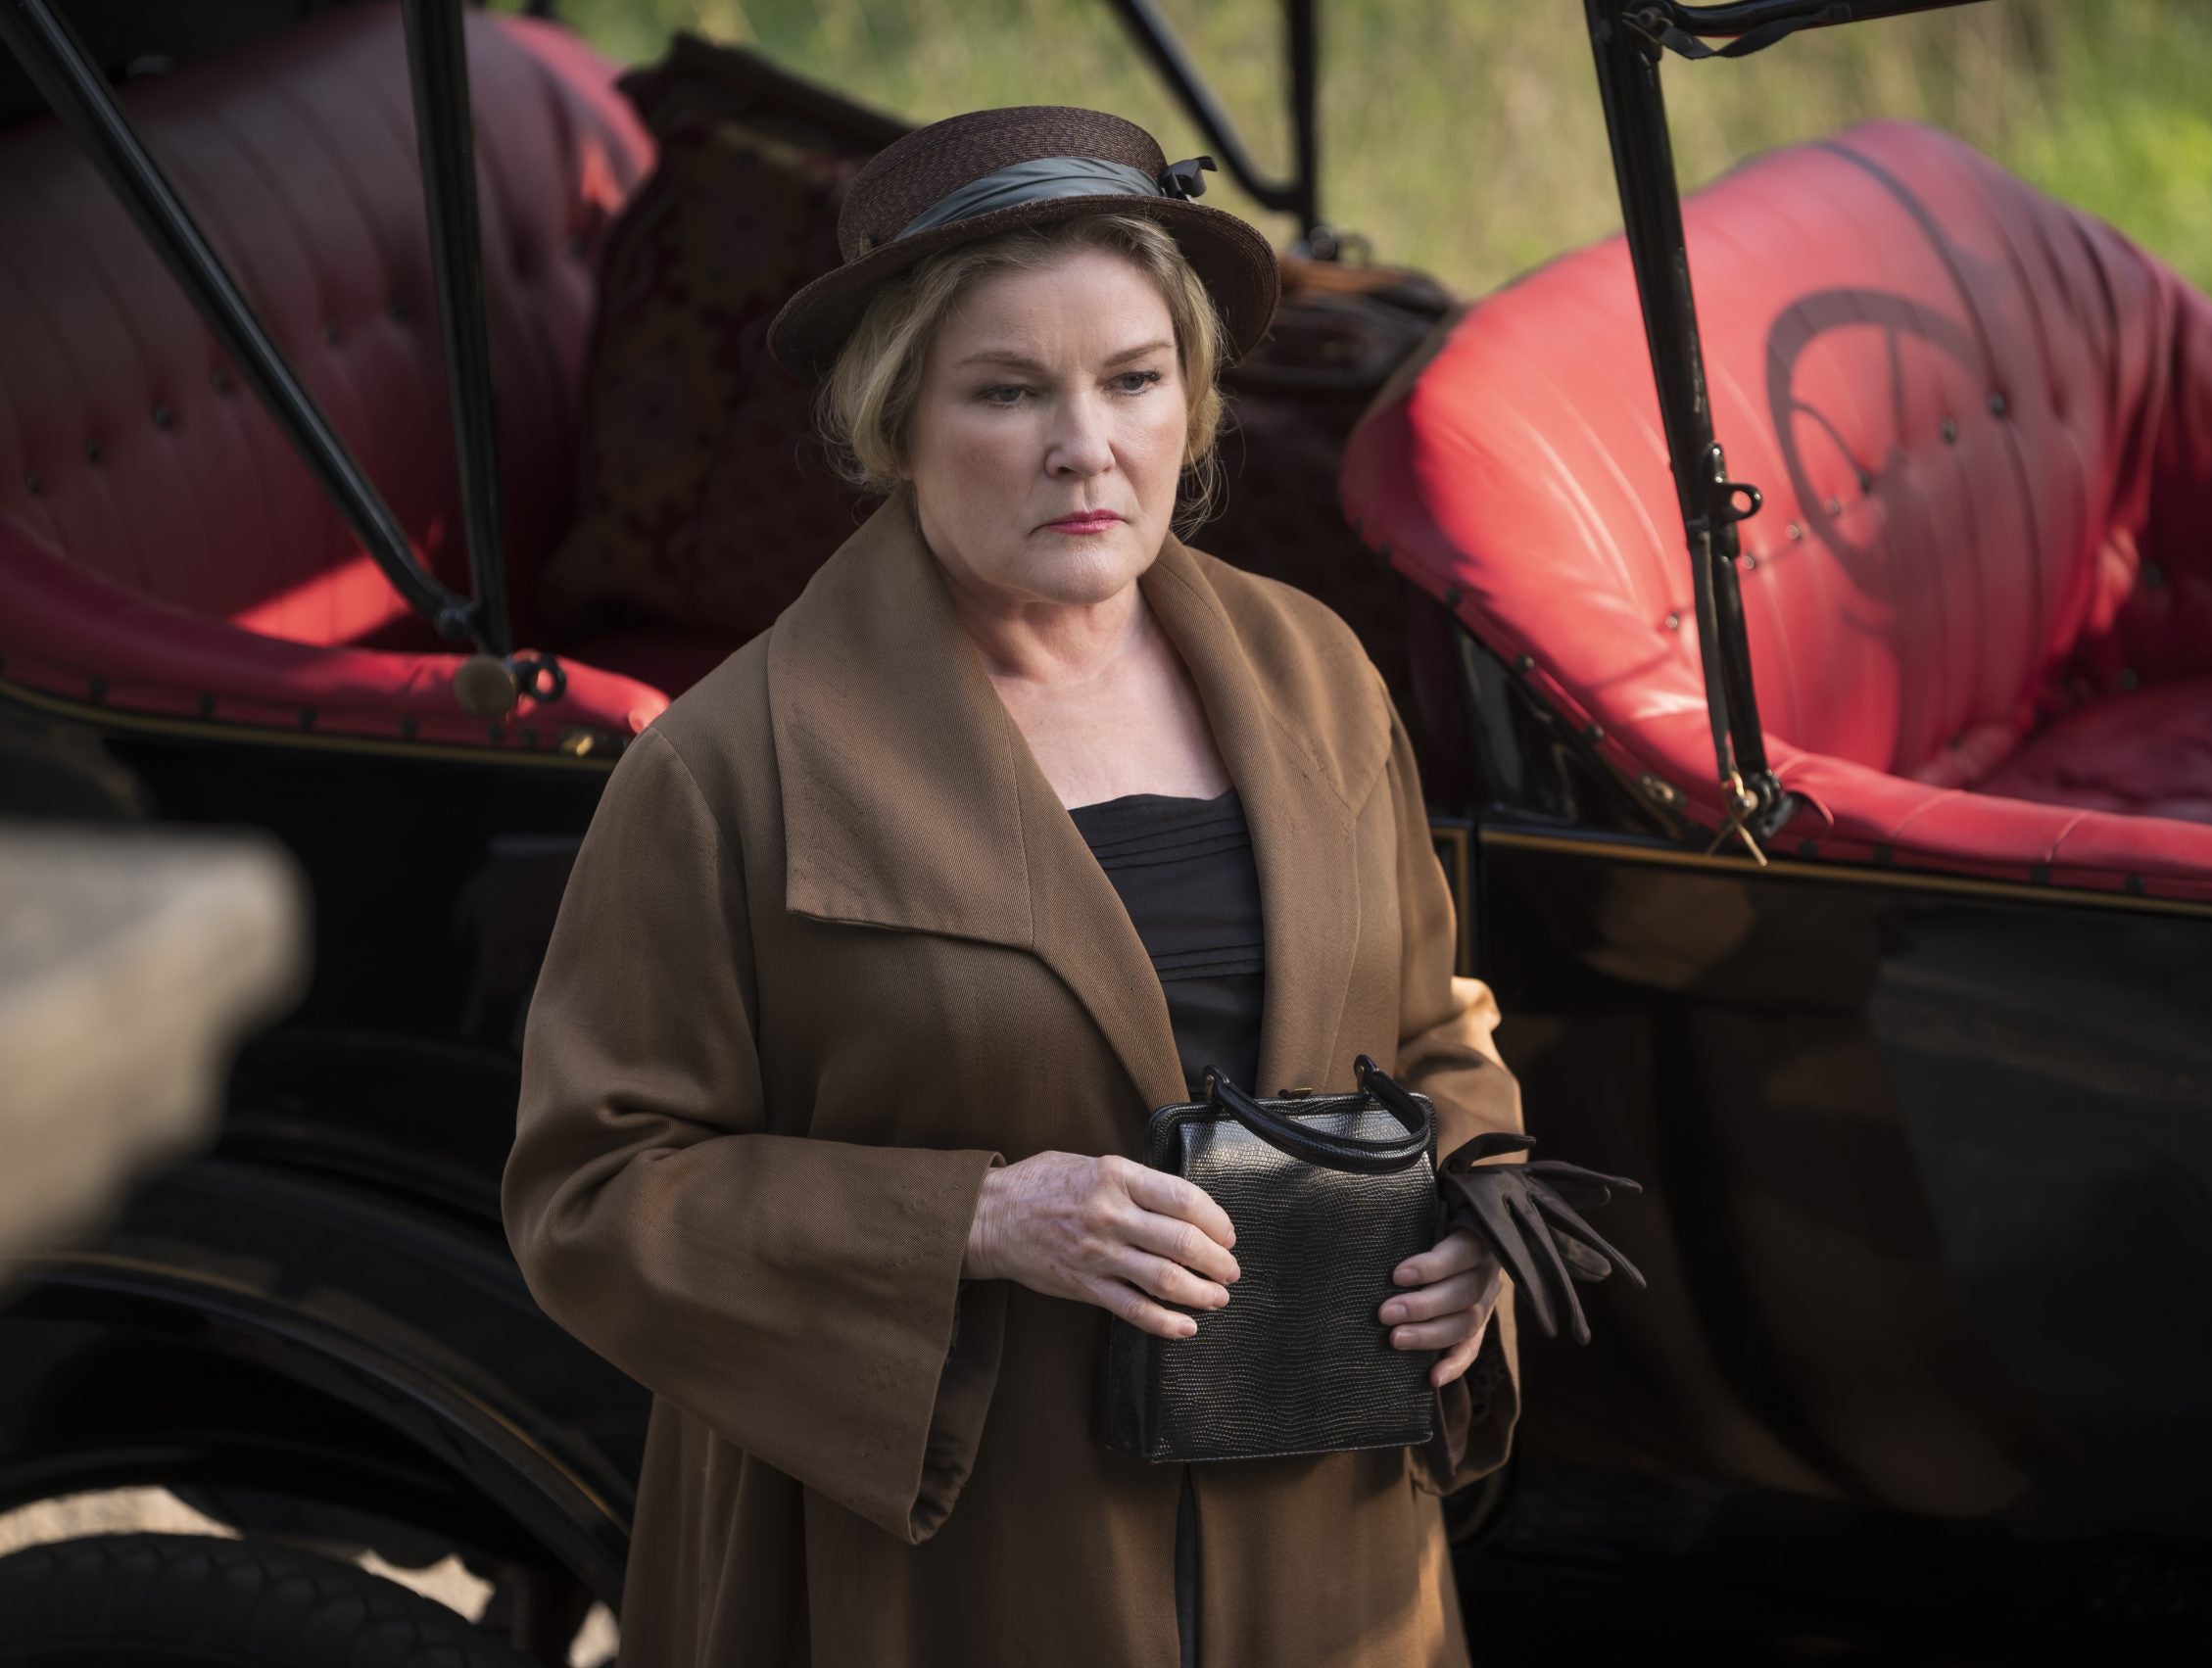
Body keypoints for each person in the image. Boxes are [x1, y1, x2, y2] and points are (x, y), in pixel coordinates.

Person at [502, 104, 1524, 1668]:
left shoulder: (1319, 674)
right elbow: (593, 1198)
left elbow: (1437, 1033)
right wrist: (975, 1219)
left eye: (1133, 380)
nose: (1085, 446)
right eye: (1006, 391)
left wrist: (1472, 1214)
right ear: (892, 419)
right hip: (946, 1578)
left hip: (1322, 1556)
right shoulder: (726, 770)